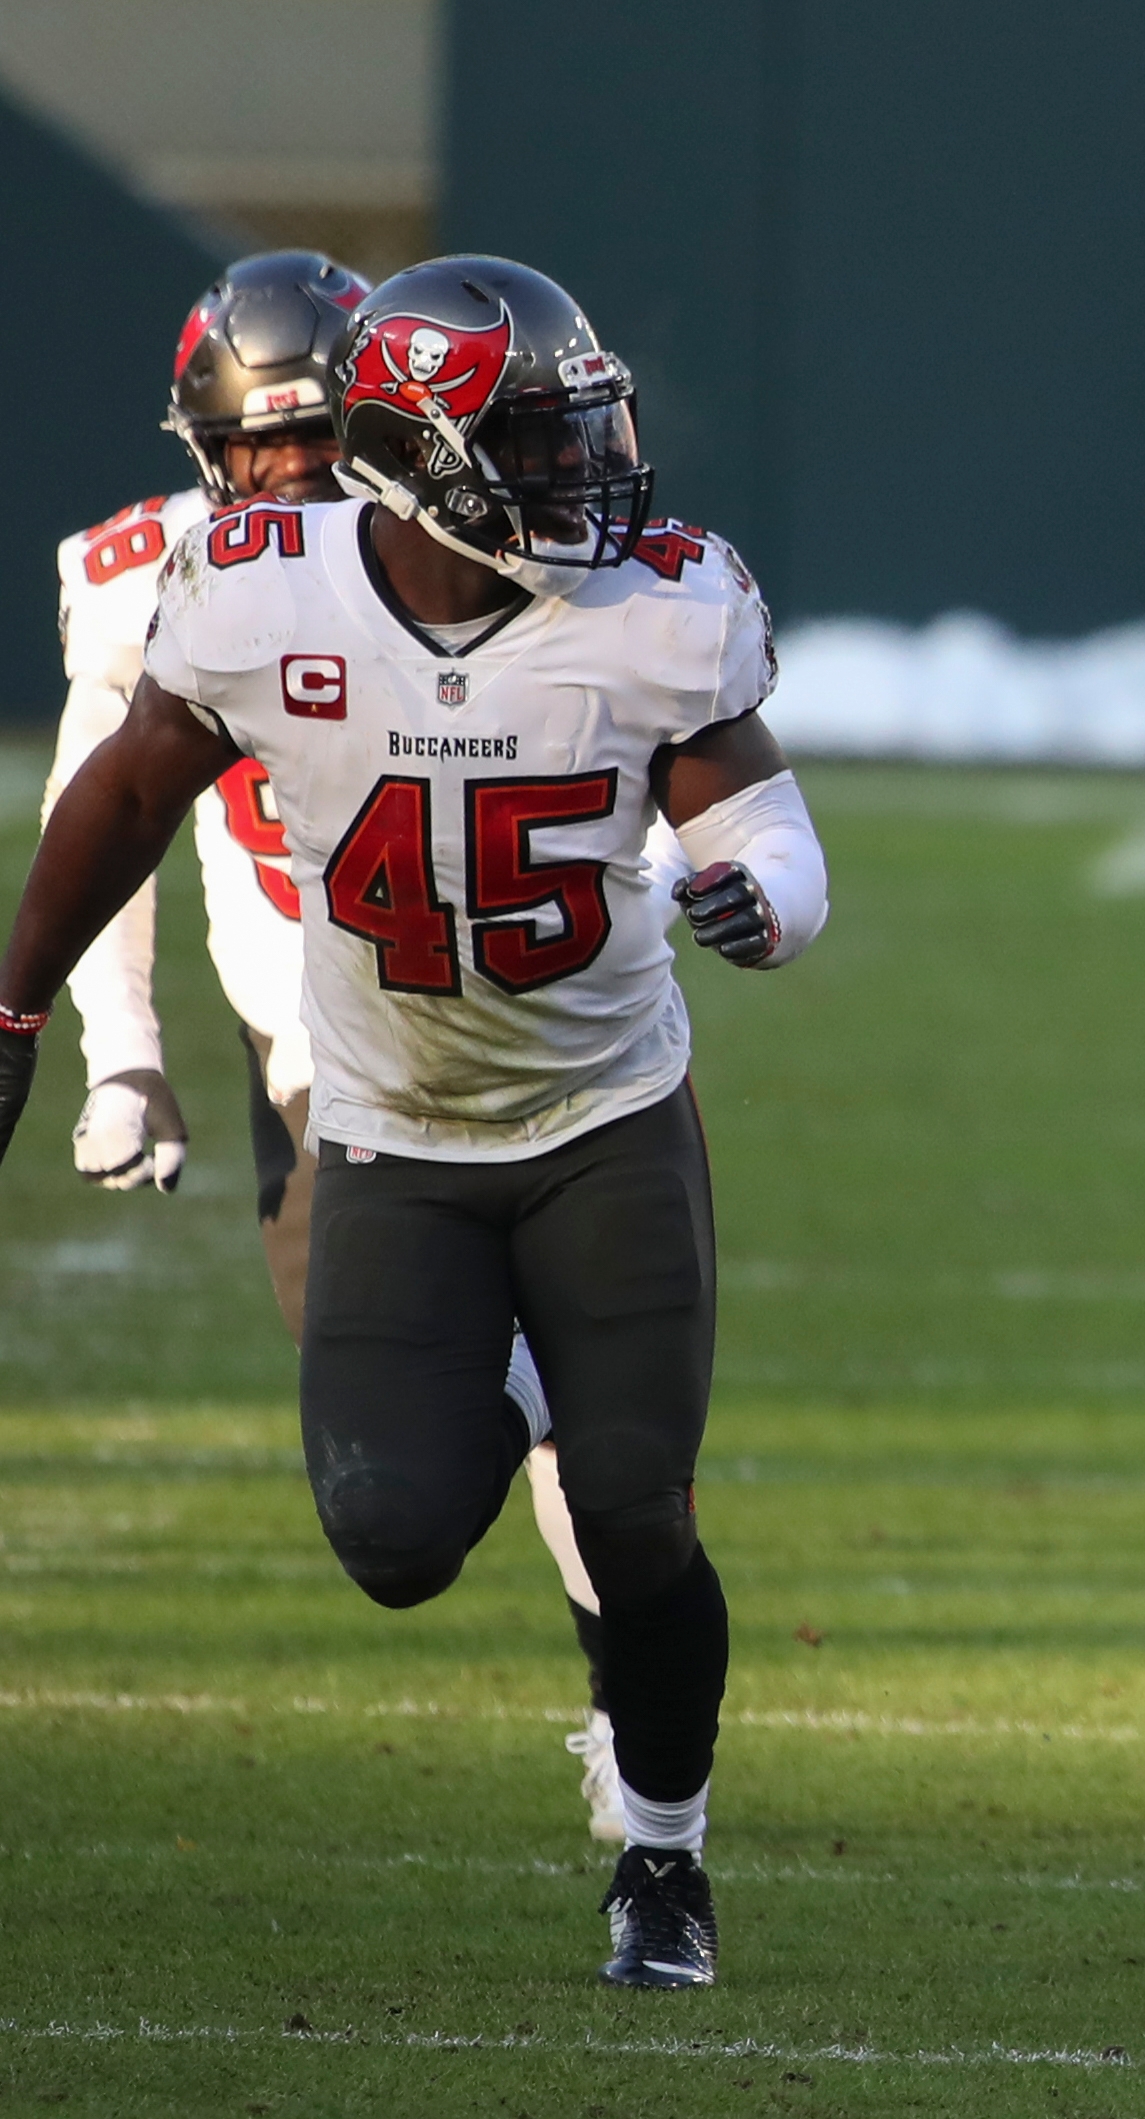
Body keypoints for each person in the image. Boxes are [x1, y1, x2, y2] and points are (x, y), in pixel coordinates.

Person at [0, 256, 833, 1990]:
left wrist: (756, 892)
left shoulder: (654, 607)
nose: (589, 464)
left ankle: (664, 1863)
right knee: (390, 1536)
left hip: (605, 1117)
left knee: (632, 1514)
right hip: (387, 1129)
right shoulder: (251, 588)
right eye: (541, 432)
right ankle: (522, 1371)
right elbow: (132, 786)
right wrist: (31, 1005)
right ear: (425, 453)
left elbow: (764, 818)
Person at [42, 249, 632, 1843]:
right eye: (264, 450)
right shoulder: (169, 574)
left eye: (317, 444)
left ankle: (632, 1728)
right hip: (322, 1063)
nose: (289, 479)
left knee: (577, 1437)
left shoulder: (468, 551)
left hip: (511, 1033)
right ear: (213, 449)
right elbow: (105, 813)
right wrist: (121, 1045)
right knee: (398, 1463)